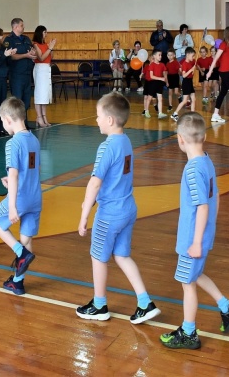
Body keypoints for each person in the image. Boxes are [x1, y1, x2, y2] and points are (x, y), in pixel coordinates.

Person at [159, 112, 229, 349]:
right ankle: (228, 308)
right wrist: (208, 230)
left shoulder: (192, 170)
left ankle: (189, 333)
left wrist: (196, 241)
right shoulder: (206, 160)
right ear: (204, 137)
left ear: (180, 139)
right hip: (203, 232)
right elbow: (214, 197)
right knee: (195, 275)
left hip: (192, 237)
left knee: (187, 284)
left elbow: (202, 206)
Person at [76, 93, 161, 324]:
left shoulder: (106, 147)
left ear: (110, 120)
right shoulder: (126, 141)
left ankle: (99, 304)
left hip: (110, 214)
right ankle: (145, 302)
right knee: (122, 255)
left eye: (98, 116)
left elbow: (95, 182)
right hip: (128, 209)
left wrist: (84, 215)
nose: (96, 120)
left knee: (98, 257)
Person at [0, 97, 42, 296]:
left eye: (2, 121)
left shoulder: (12, 143)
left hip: (20, 198)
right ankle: (18, 282)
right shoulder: (34, 140)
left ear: (9, 119)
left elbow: (14, 173)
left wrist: (12, 206)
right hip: (35, 198)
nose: (3, 125)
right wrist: (12, 182)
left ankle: (20, 253)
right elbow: (31, 170)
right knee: (26, 238)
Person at [3, 18, 36, 122]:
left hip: (27, 73)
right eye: (22, 25)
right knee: (17, 100)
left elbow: (31, 50)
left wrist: (32, 53)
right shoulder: (9, 40)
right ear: (15, 27)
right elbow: (11, 56)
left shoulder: (26, 38)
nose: (23, 27)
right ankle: (16, 124)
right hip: (17, 74)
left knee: (26, 100)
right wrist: (26, 55)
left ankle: (24, 123)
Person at [32, 25, 56, 128]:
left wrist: (51, 48)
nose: (46, 34)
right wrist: (49, 48)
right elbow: (41, 57)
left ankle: (44, 116)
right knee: (39, 93)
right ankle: (39, 116)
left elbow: (51, 57)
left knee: (45, 94)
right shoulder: (35, 44)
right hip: (40, 69)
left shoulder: (46, 44)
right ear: (40, 32)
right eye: (45, 32)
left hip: (46, 69)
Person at [172, 47, 197, 121]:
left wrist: (193, 70)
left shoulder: (190, 63)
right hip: (186, 83)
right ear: (187, 55)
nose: (193, 57)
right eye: (192, 56)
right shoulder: (185, 64)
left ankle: (193, 114)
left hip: (190, 82)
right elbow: (184, 75)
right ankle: (175, 113)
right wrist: (191, 70)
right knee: (185, 100)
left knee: (193, 99)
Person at [142, 50, 167, 119]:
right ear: (154, 56)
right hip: (152, 83)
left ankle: (160, 113)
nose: (160, 56)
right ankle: (146, 111)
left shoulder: (162, 65)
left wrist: (165, 79)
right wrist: (161, 78)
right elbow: (151, 76)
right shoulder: (152, 65)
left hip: (159, 83)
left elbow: (164, 73)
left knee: (160, 98)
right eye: (159, 55)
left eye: (161, 55)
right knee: (149, 98)